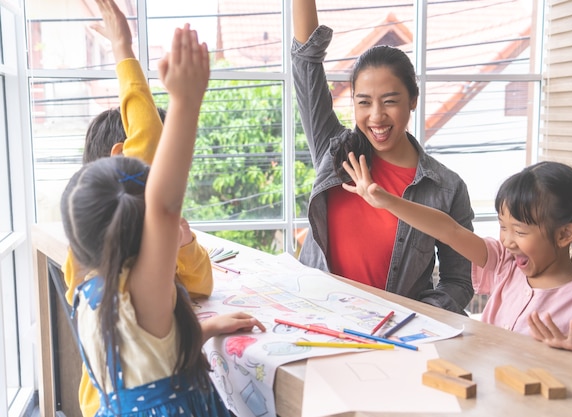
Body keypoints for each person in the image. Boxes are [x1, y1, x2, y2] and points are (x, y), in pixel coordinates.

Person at [62, 20, 266, 416]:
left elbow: (140, 354)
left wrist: (203, 329)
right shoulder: (141, 290)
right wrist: (186, 102)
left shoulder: (89, 292)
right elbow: (164, 203)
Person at [342, 154, 572, 358]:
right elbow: (450, 230)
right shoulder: (505, 264)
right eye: (503, 227)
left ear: (565, 235)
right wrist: (387, 201)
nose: (507, 241)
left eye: (520, 231)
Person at [291, 0, 475, 315]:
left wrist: (414, 316)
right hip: (318, 317)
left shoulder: (448, 188)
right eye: (364, 102)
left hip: (395, 336)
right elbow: (306, 61)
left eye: (390, 101)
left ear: (413, 100)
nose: (376, 117)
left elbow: (458, 280)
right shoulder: (334, 150)